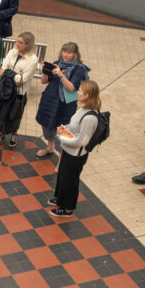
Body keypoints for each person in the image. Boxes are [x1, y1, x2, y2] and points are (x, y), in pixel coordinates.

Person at [48, 80, 102, 218]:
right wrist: (63, 129)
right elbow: (73, 125)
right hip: (68, 150)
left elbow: (82, 140)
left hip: (75, 155)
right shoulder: (82, 108)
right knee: (63, 177)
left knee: (70, 181)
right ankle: (60, 199)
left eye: (80, 91)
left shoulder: (90, 118)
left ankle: (67, 208)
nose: (78, 92)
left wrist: (62, 138)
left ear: (87, 95)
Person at [34, 42, 90, 157]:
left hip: (65, 106)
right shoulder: (56, 64)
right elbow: (44, 81)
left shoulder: (79, 69)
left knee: (62, 131)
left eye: (69, 53)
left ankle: (61, 157)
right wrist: (44, 71)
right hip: (49, 101)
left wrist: (61, 75)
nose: (65, 55)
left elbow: (71, 88)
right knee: (47, 125)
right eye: (64, 52)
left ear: (75, 54)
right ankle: (50, 147)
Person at [0, 32, 39, 147]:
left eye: (20, 42)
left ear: (28, 44)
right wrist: (11, 75)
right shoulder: (12, 52)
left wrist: (8, 74)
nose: (17, 44)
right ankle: (1, 135)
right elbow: (2, 70)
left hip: (19, 94)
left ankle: (14, 134)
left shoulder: (33, 59)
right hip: (3, 90)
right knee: (0, 113)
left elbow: (22, 80)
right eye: (17, 41)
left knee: (14, 115)